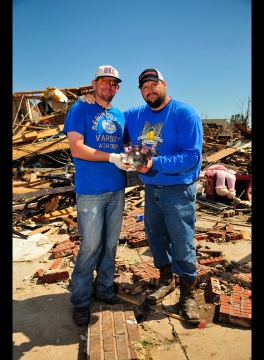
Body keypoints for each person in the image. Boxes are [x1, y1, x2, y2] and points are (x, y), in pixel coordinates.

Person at [85, 68, 203, 320]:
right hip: (151, 189)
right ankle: (165, 280)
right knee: (156, 237)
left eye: (154, 84)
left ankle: (187, 296)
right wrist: (90, 101)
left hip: (178, 189)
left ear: (164, 84)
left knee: (182, 241)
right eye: (144, 87)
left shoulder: (184, 113)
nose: (149, 90)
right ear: (140, 91)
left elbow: (192, 157)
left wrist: (154, 164)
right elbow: (111, 117)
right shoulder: (135, 115)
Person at [63, 65, 129, 327]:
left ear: (118, 88)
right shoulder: (80, 109)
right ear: (94, 83)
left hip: (117, 188)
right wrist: (112, 157)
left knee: (110, 244)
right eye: (104, 81)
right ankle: (80, 300)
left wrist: (134, 155)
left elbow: (123, 145)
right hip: (91, 191)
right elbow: (77, 148)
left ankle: (104, 289)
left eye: (113, 83)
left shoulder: (119, 115)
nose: (108, 86)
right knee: (91, 245)